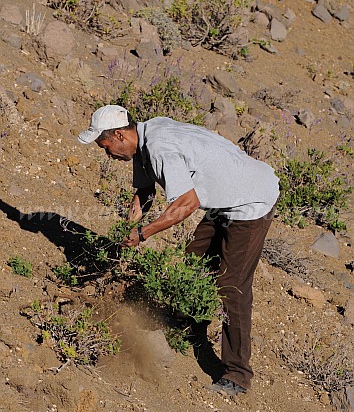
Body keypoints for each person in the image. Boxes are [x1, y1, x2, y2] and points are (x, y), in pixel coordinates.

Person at [78, 105, 279, 395]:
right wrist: (127, 229)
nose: (107, 155)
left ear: (120, 135)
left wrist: (143, 233)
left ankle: (237, 374)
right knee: (194, 260)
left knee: (231, 285)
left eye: (106, 147)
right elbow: (145, 192)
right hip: (225, 199)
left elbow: (186, 203)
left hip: (251, 201)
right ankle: (188, 325)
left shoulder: (159, 148)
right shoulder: (143, 138)